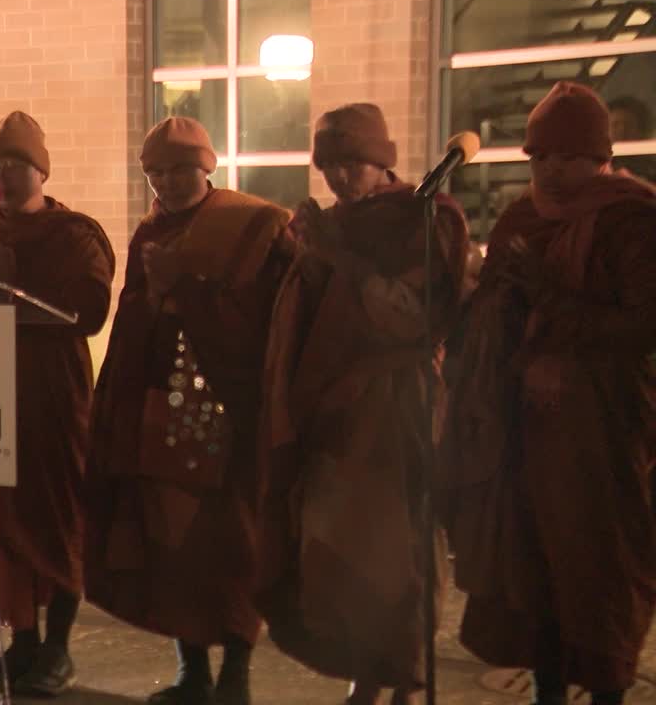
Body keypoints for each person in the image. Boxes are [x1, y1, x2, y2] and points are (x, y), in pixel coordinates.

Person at [443, 81, 656, 705]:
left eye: (567, 159)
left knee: (598, 571)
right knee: (530, 568)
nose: (552, 173)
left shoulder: (632, 218)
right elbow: (492, 316)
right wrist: (482, 298)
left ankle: (608, 691)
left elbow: (644, 325)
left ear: (601, 158)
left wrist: (545, 295)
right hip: (522, 431)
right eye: (540, 159)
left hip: (601, 432)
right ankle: (546, 690)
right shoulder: (522, 217)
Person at [254, 103, 469, 704]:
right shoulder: (335, 223)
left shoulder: (425, 217)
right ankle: (367, 673)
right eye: (332, 166)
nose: (343, 179)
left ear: (383, 161)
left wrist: (334, 259)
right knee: (343, 547)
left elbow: (413, 316)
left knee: (397, 546)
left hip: (394, 405)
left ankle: (406, 676)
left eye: (356, 164)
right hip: (332, 408)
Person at [84, 117, 296, 705]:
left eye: (179, 170)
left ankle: (237, 675)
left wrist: (192, 289)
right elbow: (134, 317)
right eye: (156, 173)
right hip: (161, 413)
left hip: (228, 413)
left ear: (207, 167)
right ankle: (193, 672)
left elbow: (270, 323)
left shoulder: (253, 225)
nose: (168, 183)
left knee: (230, 546)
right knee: (170, 547)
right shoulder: (151, 229)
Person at [0, 111, 115, 696]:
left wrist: (15, 285)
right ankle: (23, 643)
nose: (4, 174)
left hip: (53, 393)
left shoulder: (75, 235)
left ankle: (60, 647)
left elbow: (88, 312)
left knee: (58, 516)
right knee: (5, 524)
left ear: (41, 170)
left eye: (16, 164)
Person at [607, 95, 655, 184]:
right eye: (615, 124)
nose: (621, 130)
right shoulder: (601, 166)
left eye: (628, 125)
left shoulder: (651, 167)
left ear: (641, 130)